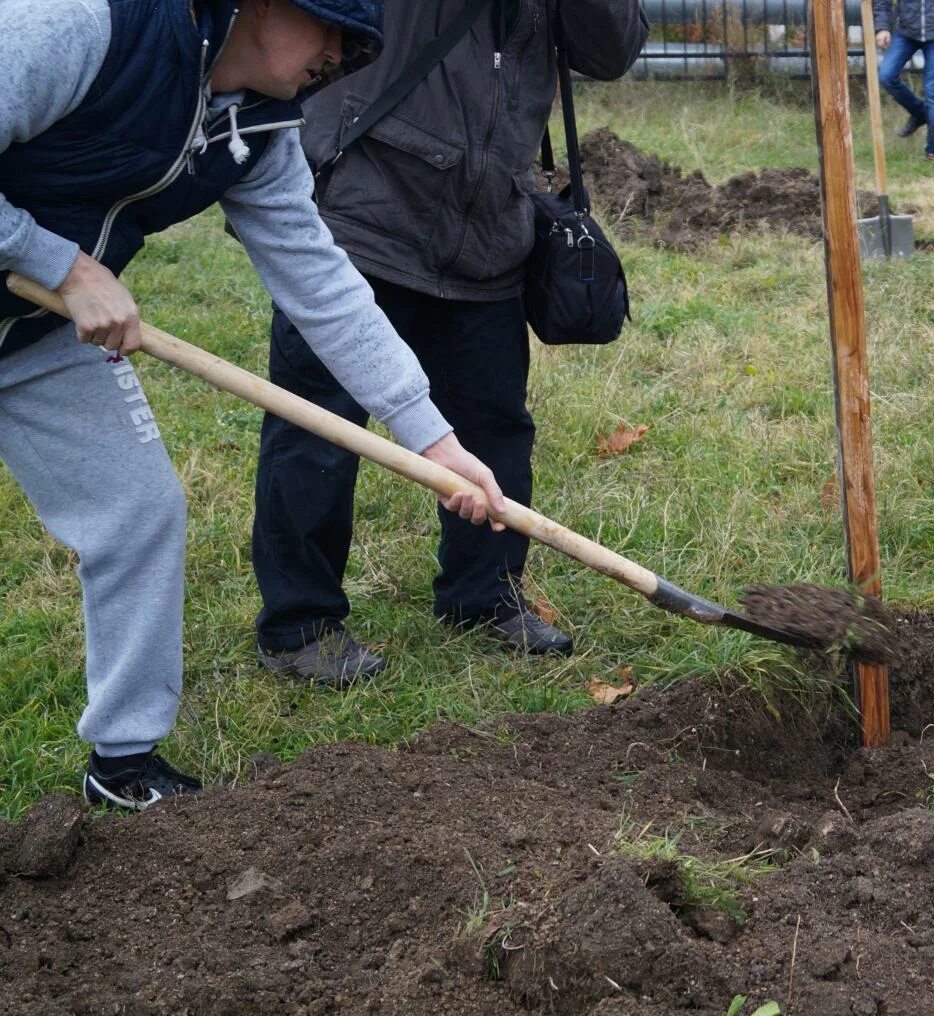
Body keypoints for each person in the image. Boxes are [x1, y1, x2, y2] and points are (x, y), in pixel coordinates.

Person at [0, 0, 507, 809]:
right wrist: (56, 263)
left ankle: (124, 764)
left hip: (32, 332)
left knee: (139, 509)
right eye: (334, 31)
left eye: (358, 47)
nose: (341, 59)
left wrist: (431, 441)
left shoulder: (262, 130)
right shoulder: (92, 27)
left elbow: (321, 281)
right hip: (50, 290)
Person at [251, 0, 650, 685]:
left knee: (495, 426)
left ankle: (484, 596)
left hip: (489, 225)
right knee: (317, 429)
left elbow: (610, 51)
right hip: (369, 211)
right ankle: (301, 624)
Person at [873, 0, 934, 160]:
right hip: (906, 30)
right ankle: (921, 113)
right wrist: (882, 27)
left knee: (932, 91)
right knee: (886, 75)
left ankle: (933, 152)